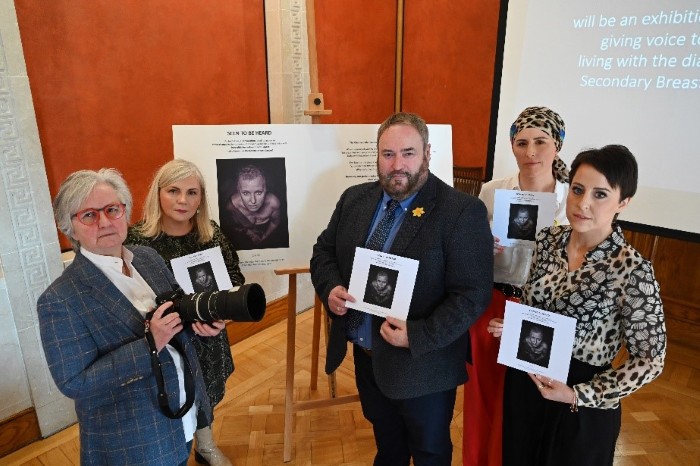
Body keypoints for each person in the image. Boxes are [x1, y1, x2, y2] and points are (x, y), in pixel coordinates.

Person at [310, 112, 493, 465]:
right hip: (367, 358)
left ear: (427, 152)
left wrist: (418, 335)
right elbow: (324, 252)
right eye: (388, 154)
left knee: (430, 453)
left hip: (423, 365)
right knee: (389, 448)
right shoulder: (354, 199)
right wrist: (330, 286)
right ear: (377, 156)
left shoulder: (461, 211)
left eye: (408, 153)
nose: (397, 165)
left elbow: (472, 294)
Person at [488, 145, 667, 465]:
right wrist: (514, 328)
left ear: (623, 202)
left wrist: (578, 395)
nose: (583, 203)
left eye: (600, 194)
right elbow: (535, 304)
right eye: (578, 189)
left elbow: (651, 359)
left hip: (581, 398)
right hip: (528, 380)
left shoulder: (632, 270)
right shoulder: (547, 239)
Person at [37, 168, 221, 466]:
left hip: (183, 410)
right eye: (89, 215)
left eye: (112, 209)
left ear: (125, 211)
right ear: (67, 227)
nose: (106, 222)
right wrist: (151, 343)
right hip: (134, 438)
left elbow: (178, 307)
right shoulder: (60, 299)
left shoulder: (147, 258)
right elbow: (74, 382)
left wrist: (201, 322)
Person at [463, 106, 570, 466]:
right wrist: (481, 247)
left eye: (540, 142)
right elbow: (468, 252)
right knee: (484, 395)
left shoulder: (571, 201)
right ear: (512, 146)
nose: (530, 152)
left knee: (527, 399)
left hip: (542, 313)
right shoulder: (493, 191)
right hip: (492, 303)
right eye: (521, 142)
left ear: (557, 145)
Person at [127, 159, 245, 466]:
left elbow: (234, 280)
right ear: (158, 194)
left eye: (192, 193)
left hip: (208, 338)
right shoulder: (137, 241)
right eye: (174, 191)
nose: (183, 201)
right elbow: (129, 297)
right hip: (167, 342)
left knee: (206, 393)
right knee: (169, 394)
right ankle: (171, 450)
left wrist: (222, 317)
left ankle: (205, 445)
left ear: (201, 198)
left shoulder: (210, 233)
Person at [221, 164, 287, 249]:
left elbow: (274, 223)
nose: (253, 201)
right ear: (238, 190)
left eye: (258, 192)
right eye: (245, 193)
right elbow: (231, 226)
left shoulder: (273, 204)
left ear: (266, 189)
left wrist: (264, 237)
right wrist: (249, 232)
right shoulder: (232, 206)